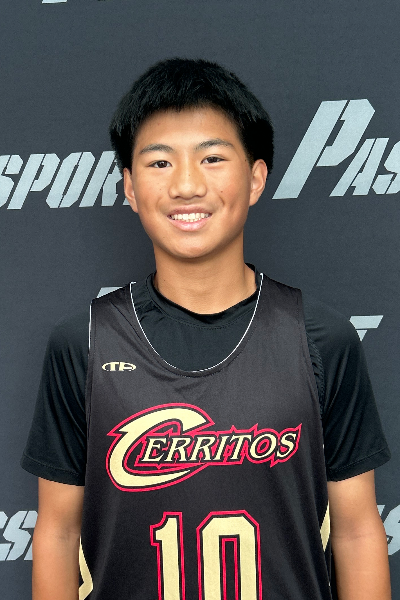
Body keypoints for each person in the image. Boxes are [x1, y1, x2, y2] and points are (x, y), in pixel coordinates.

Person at [21, 58, 391, 600]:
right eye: (160, 162)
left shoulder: (321, 338)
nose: (187, 184)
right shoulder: (85, 344)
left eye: (212, 158)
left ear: (256, 178)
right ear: (129, 187)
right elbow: (57, 533)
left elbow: (356, 532)